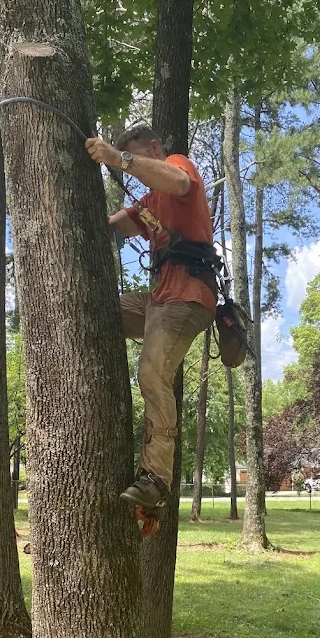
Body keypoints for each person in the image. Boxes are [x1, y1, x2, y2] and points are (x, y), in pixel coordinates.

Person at [85, 124, 219, 513]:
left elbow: (176, 180)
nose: (136, 163)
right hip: (160, 299)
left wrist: (118, 158)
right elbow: (113, 227)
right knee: (99, 314)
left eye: (139, 154)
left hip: (188, 295)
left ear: (154, 148)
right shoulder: (148, 205)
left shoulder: (178, 166)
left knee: (151, 373)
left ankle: (156, 478)